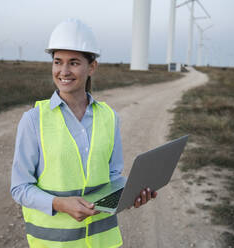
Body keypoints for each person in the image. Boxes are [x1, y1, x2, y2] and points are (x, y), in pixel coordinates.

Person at [10, 18, 157, 248]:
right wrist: (59, 203)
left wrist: (132, 193)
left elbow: (114, 178)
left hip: (102, 243)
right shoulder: (33, 120)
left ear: (92, 67)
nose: (63, 71)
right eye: (58, 62)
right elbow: (20, 188)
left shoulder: (109, 117)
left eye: (74, 63)